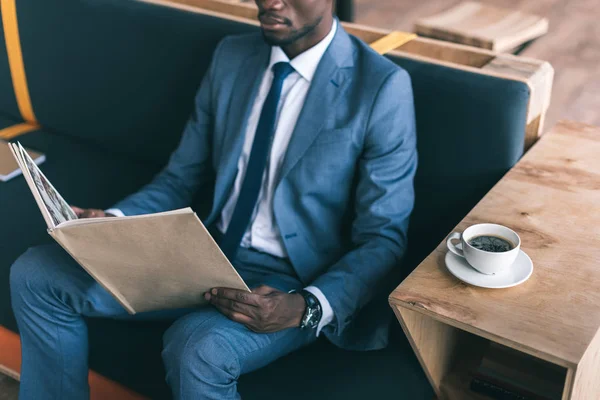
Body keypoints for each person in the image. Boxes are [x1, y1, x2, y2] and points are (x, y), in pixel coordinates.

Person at [9, 0, 417, 398]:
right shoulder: (232, 55)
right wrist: (112, 221)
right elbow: (179, 177)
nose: (270, 2)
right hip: (201, 256)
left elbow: (382, 238)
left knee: (197, 348)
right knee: (37, 274)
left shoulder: (380, 87)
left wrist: (306, 306)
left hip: (291, 280)